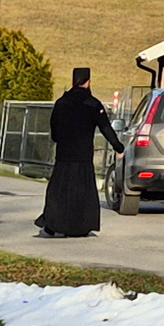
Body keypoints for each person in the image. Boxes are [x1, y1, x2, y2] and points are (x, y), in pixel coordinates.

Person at [39, 66, 107, 237]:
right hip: (83, 156)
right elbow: (106, 128)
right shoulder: (93, 104)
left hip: (64, 155)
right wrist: (119, 148)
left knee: (59, 192)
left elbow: (54, 130)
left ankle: (52, 224)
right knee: (82, 193)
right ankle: (80, 226)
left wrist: (60, 139)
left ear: (73, 81)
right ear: (88, 82)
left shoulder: (62, 103)